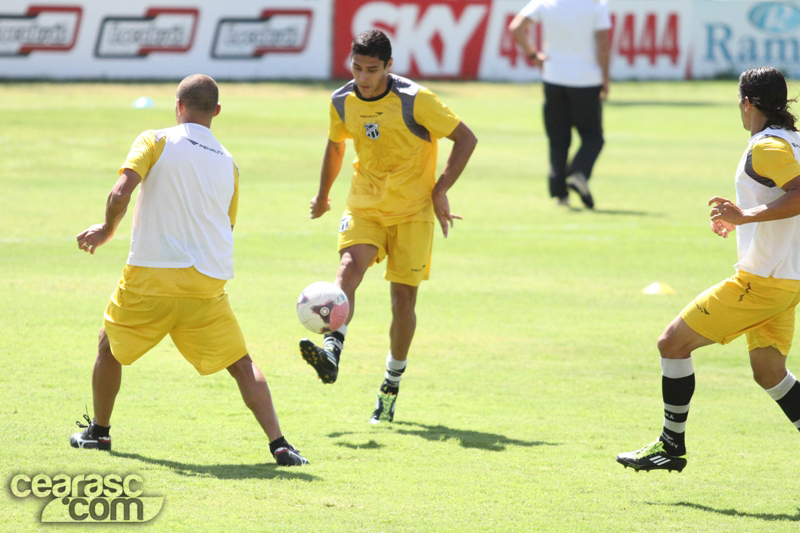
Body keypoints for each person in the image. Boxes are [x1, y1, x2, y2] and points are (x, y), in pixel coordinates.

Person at [71, 74, 308, 466]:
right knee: (241, 362)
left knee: (108, 345)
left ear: (177, 106)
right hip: (206, 282)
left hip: (151, 274)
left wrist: (107, 228)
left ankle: (99, 433)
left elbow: (119, 193)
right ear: (216, 111)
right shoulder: (229, 163)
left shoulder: (155, 139)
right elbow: (226, 227)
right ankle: (280, 444)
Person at [617, 67, 800, 472]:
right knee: (770, 374)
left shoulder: (767, 146)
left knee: (672, 344)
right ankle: (670, 445)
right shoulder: (793, 140)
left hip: (762, 282)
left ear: (747, 103)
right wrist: (738, 217)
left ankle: (670, 445)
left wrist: (745, 215)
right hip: (786, 282)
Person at [299, 29, 477, 424]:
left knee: (402, 303)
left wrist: (440, 190)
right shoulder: (342, 100)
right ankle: (332, 349)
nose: (363, 77)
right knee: (348, 269)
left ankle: (390, 386)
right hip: (365, 204)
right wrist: (324, 195)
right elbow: (336, 146)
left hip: (413, 212)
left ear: (389, 66)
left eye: (373, 70)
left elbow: (465, 138)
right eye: (357, 67)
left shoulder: (416, 100)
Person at [508, 0, 611, 209]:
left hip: (554, 77)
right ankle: (579, 173)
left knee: (558, 138)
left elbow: (516, 27)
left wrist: (533, 54)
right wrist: (605, 78)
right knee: (593, 137)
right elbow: (603, 43)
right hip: (586, 79)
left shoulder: (546, 2)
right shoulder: (597, 5)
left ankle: (559, 193)